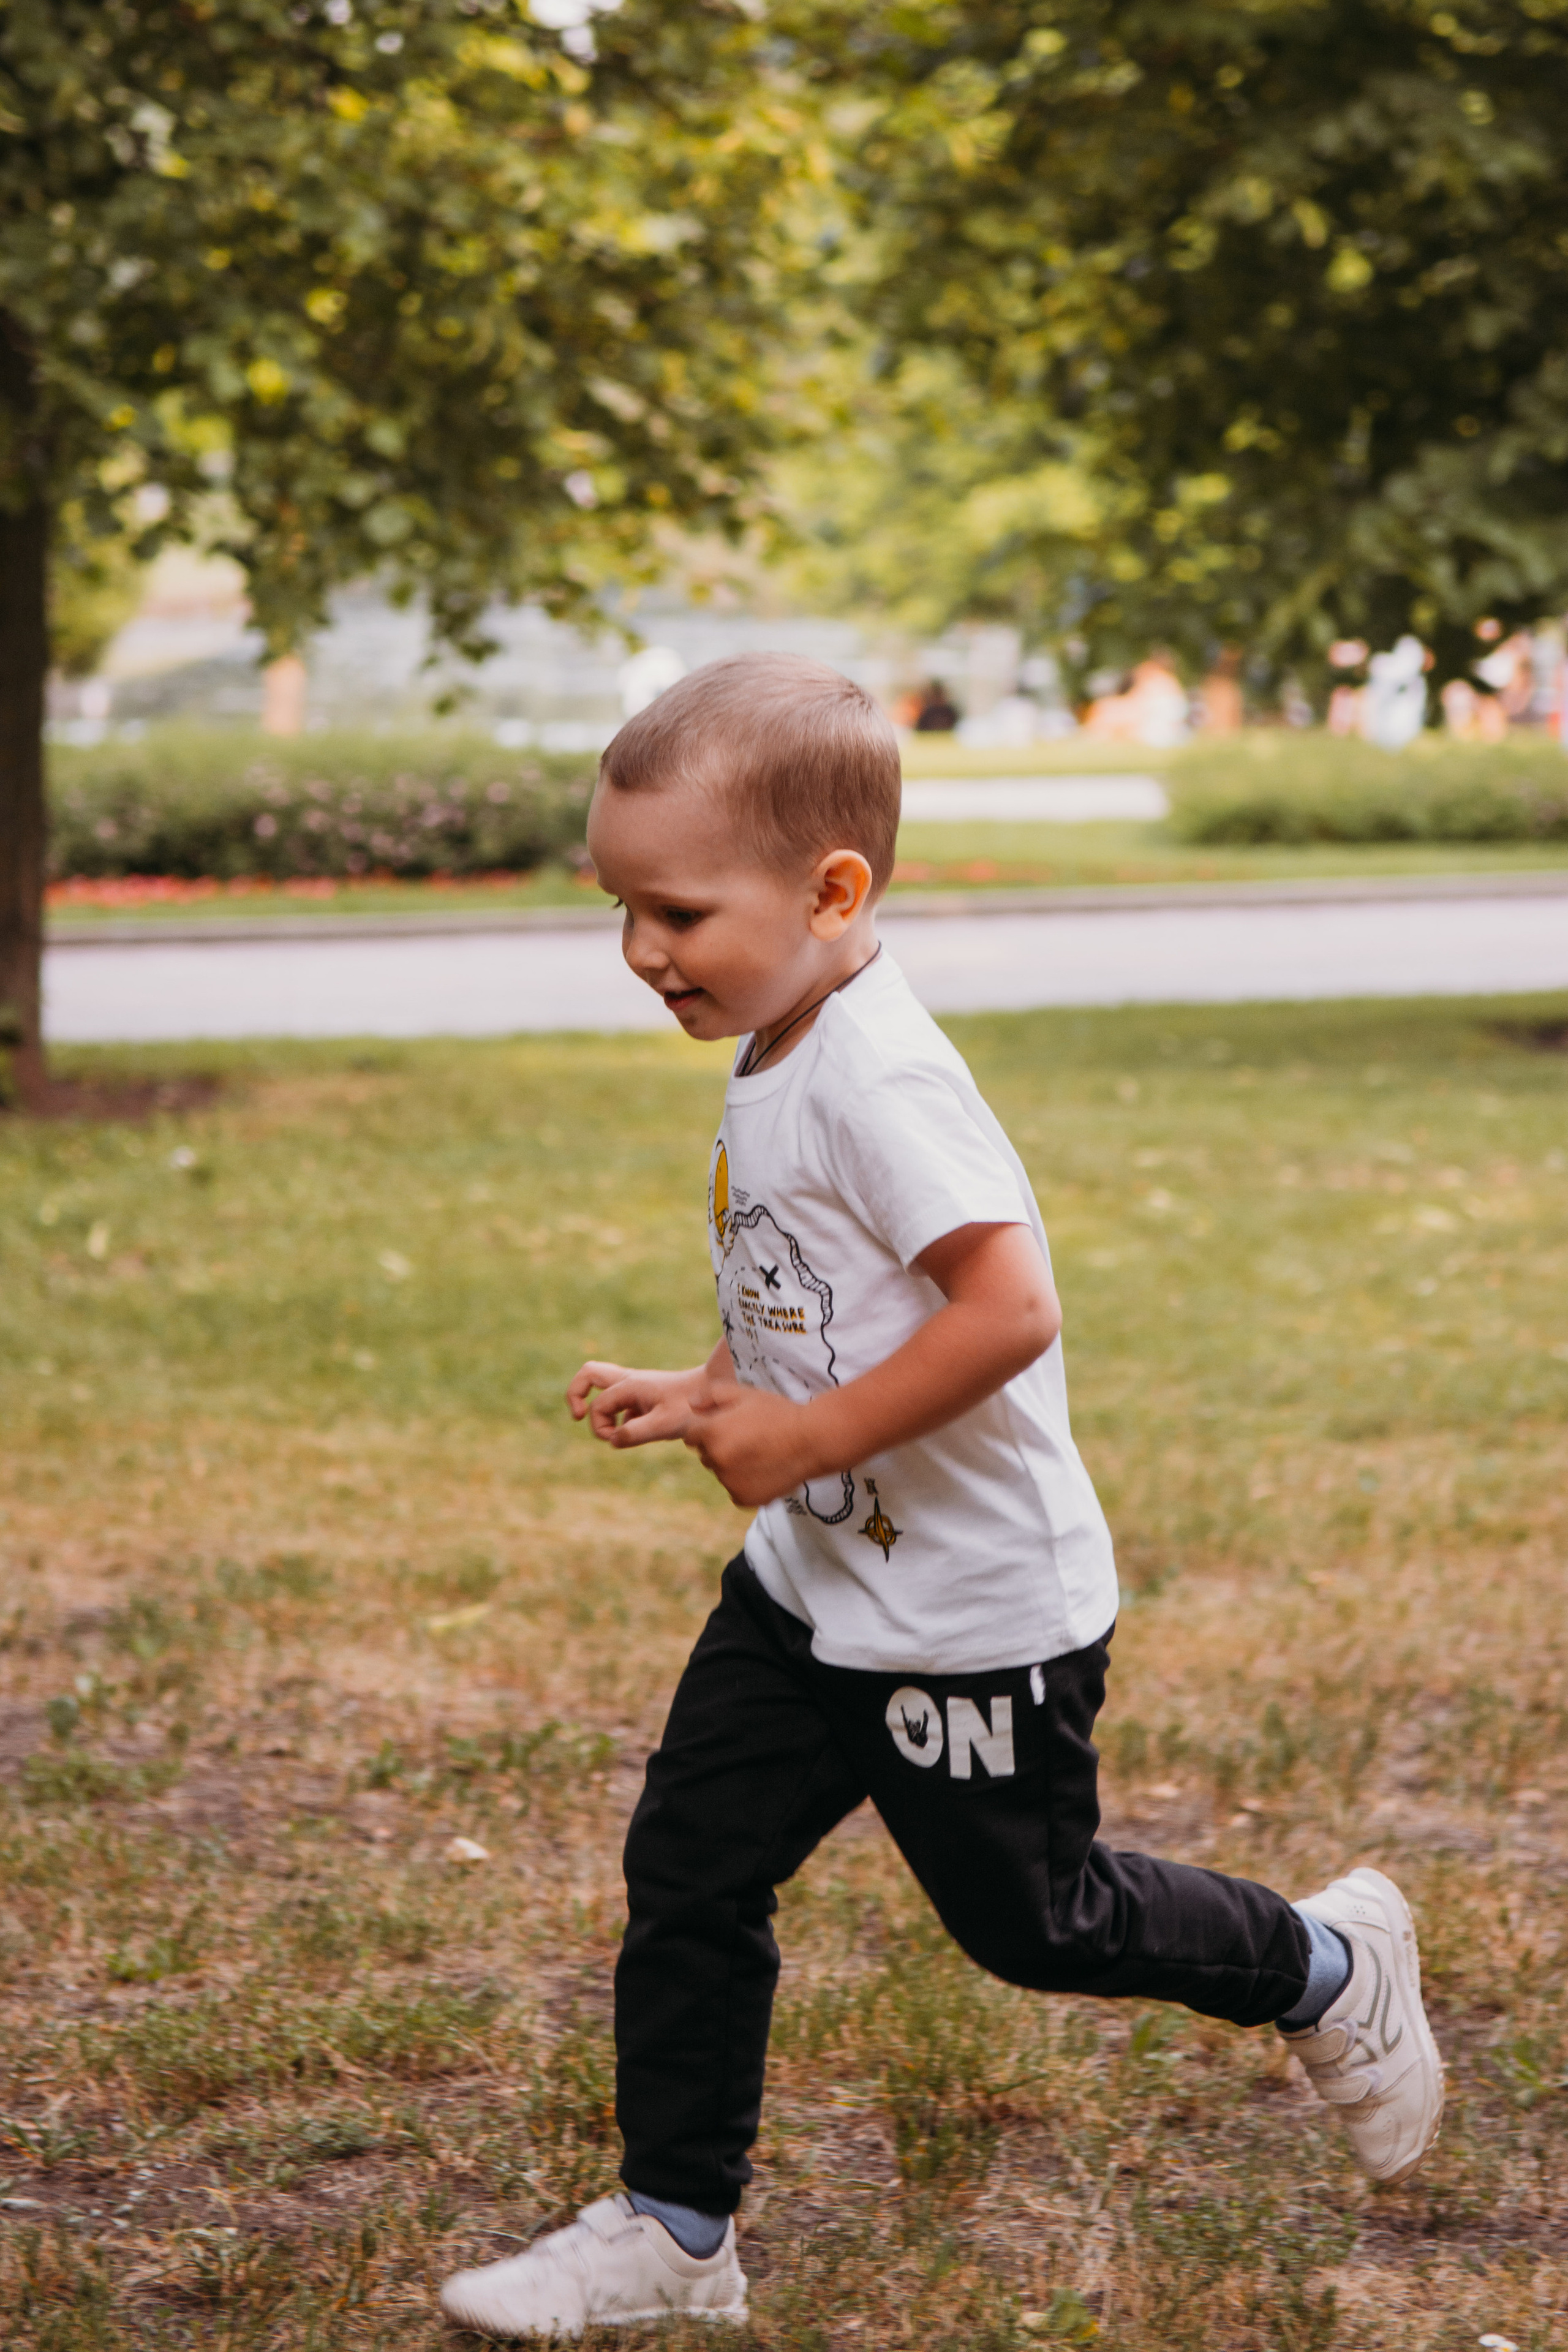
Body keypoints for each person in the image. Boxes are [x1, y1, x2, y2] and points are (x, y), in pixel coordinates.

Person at [439, 654, 1444, 2339]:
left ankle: (1332, 1968)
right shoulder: (781, 1035)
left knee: (1038, 1926)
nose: (640, 952)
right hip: (810, 1588)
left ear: (835, 892)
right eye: (620, 909)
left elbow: (1010, 1307)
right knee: (692, 1865)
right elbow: (818, 1294)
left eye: (675, 911)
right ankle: (679, 2230)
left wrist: (810, 1444)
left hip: (968, 1615)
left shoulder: (882, 1075)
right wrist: (714, 1393)